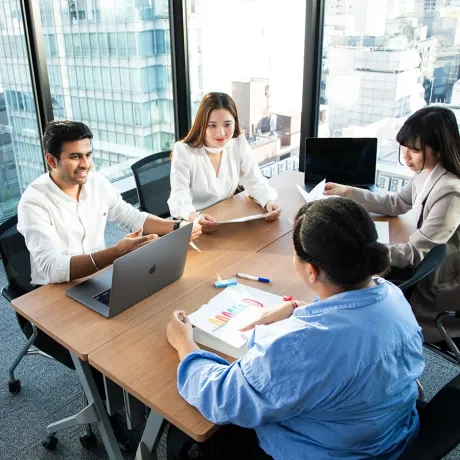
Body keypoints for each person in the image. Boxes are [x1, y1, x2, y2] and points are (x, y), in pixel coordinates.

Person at [166, 198, 425, 460]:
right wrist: (298, 308)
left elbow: (222, 397)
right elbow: (351, 324)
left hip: (338, 452)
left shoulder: (302, 345)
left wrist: (184, 344)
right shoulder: (391, 294)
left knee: (194, 436)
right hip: (394, 434)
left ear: (311, 270)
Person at [16, 120, 201, 450]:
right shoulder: (33, 203)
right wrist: (114, 253)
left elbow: (132, 217)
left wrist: (178, 226)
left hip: (100, 281)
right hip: (52, 303)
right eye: (74, 157)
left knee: (154, 320)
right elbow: (52, 267)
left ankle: (143, 404)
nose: (85, 163)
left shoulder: (96, 183)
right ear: (51, 160)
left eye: (89, 154)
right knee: (120, 352)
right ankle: (116, 420)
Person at [324, 106, 460, 347]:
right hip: (421, 262)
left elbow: (415, 253)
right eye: (404, 147)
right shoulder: (428, 171)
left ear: (439, 148)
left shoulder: (450, 191)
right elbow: (398, 202)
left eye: (414, 150)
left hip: (433, 279)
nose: (406, 156)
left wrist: (362, 250)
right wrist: (350, 192)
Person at [167, 92, 281, 233]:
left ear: (235, 123)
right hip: (195, 228)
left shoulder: (238, 144)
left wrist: (269, 202)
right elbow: (178, 200)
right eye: (212, 125)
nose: (221, 133)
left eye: (227, 124)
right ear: (202, 125)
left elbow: (255, 181)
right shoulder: (184, 151)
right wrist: (195, 217)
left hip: (226, 221)